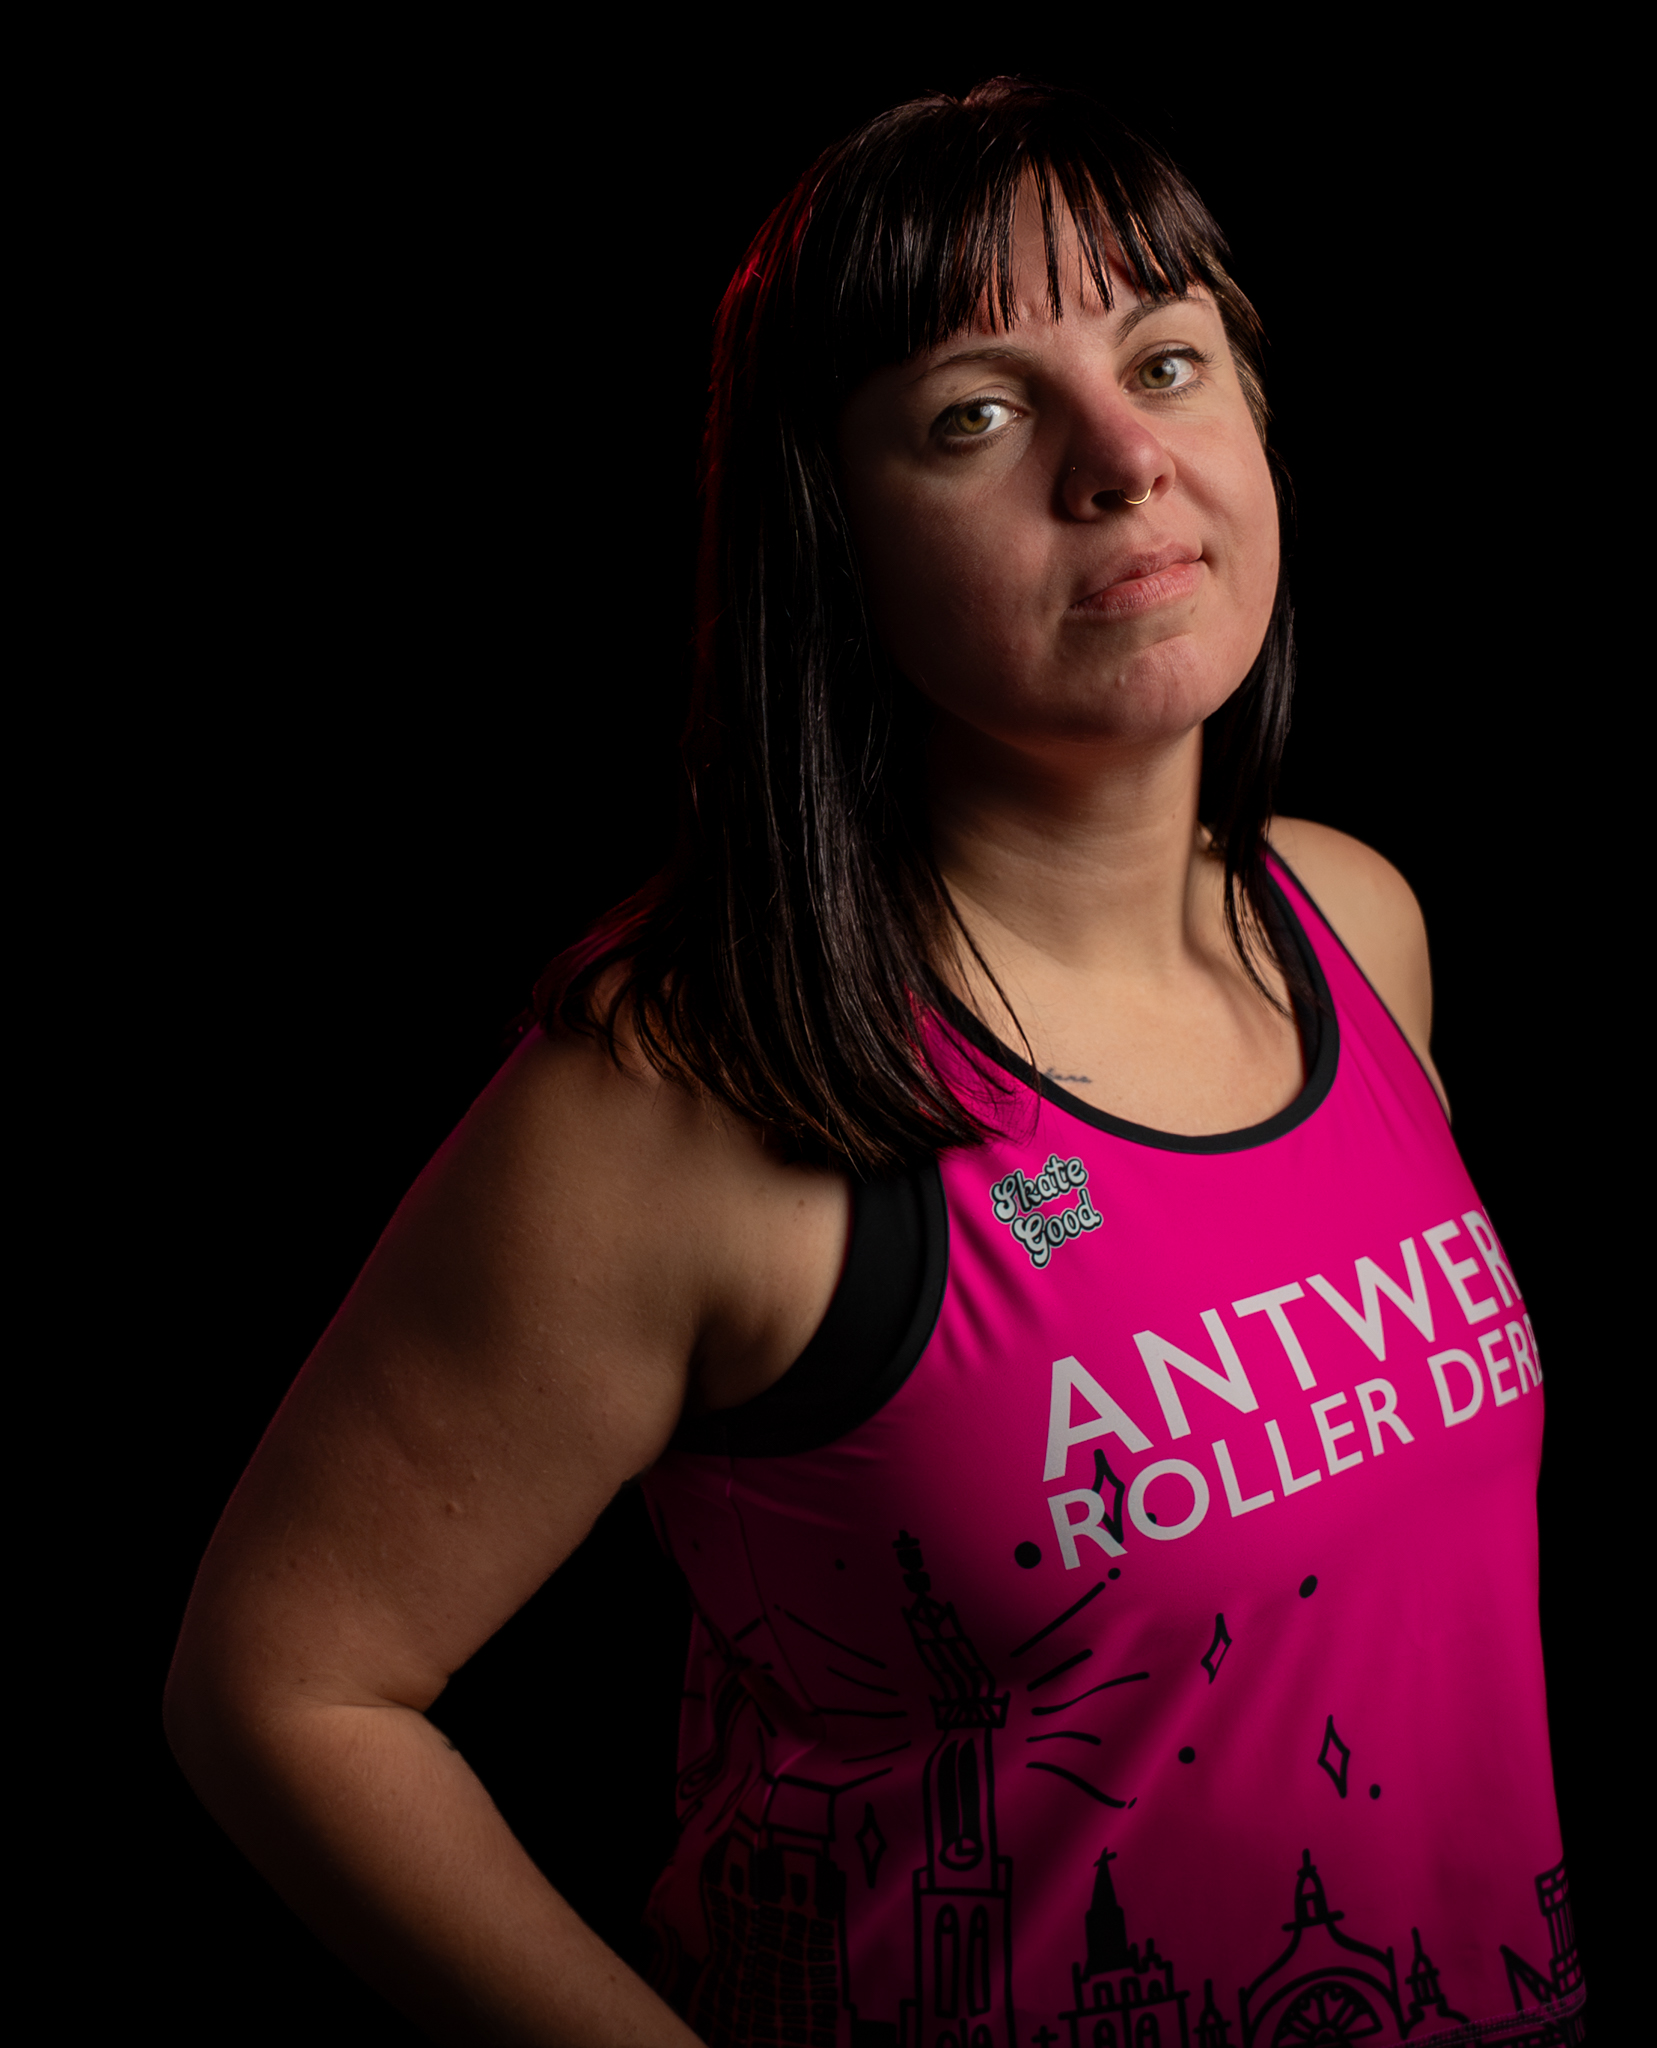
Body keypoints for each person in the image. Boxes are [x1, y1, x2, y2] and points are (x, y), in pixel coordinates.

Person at [165, 79, 1585, 2048]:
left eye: (1165, 362)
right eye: (973, 416)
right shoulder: (690, 1093)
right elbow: (284, 1685)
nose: (1121, 460)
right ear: (825, 536)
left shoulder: (1352, 925)